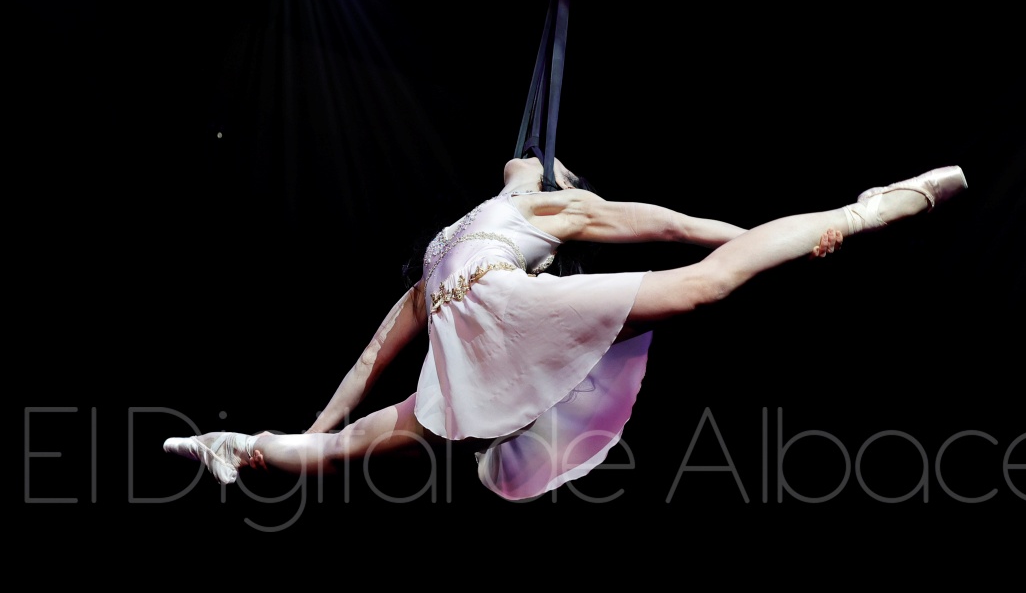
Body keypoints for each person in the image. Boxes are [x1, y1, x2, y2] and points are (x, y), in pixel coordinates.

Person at [164, 155, 967, 501]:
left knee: (704, 286)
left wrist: (775, 239)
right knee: (339, 449)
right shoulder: (512, 220)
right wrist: (311, 428)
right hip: (486, 327)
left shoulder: (491, 231)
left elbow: (679, 229)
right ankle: (241, 441)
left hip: (487, 326)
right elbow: (682, 229)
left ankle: (864, 211)